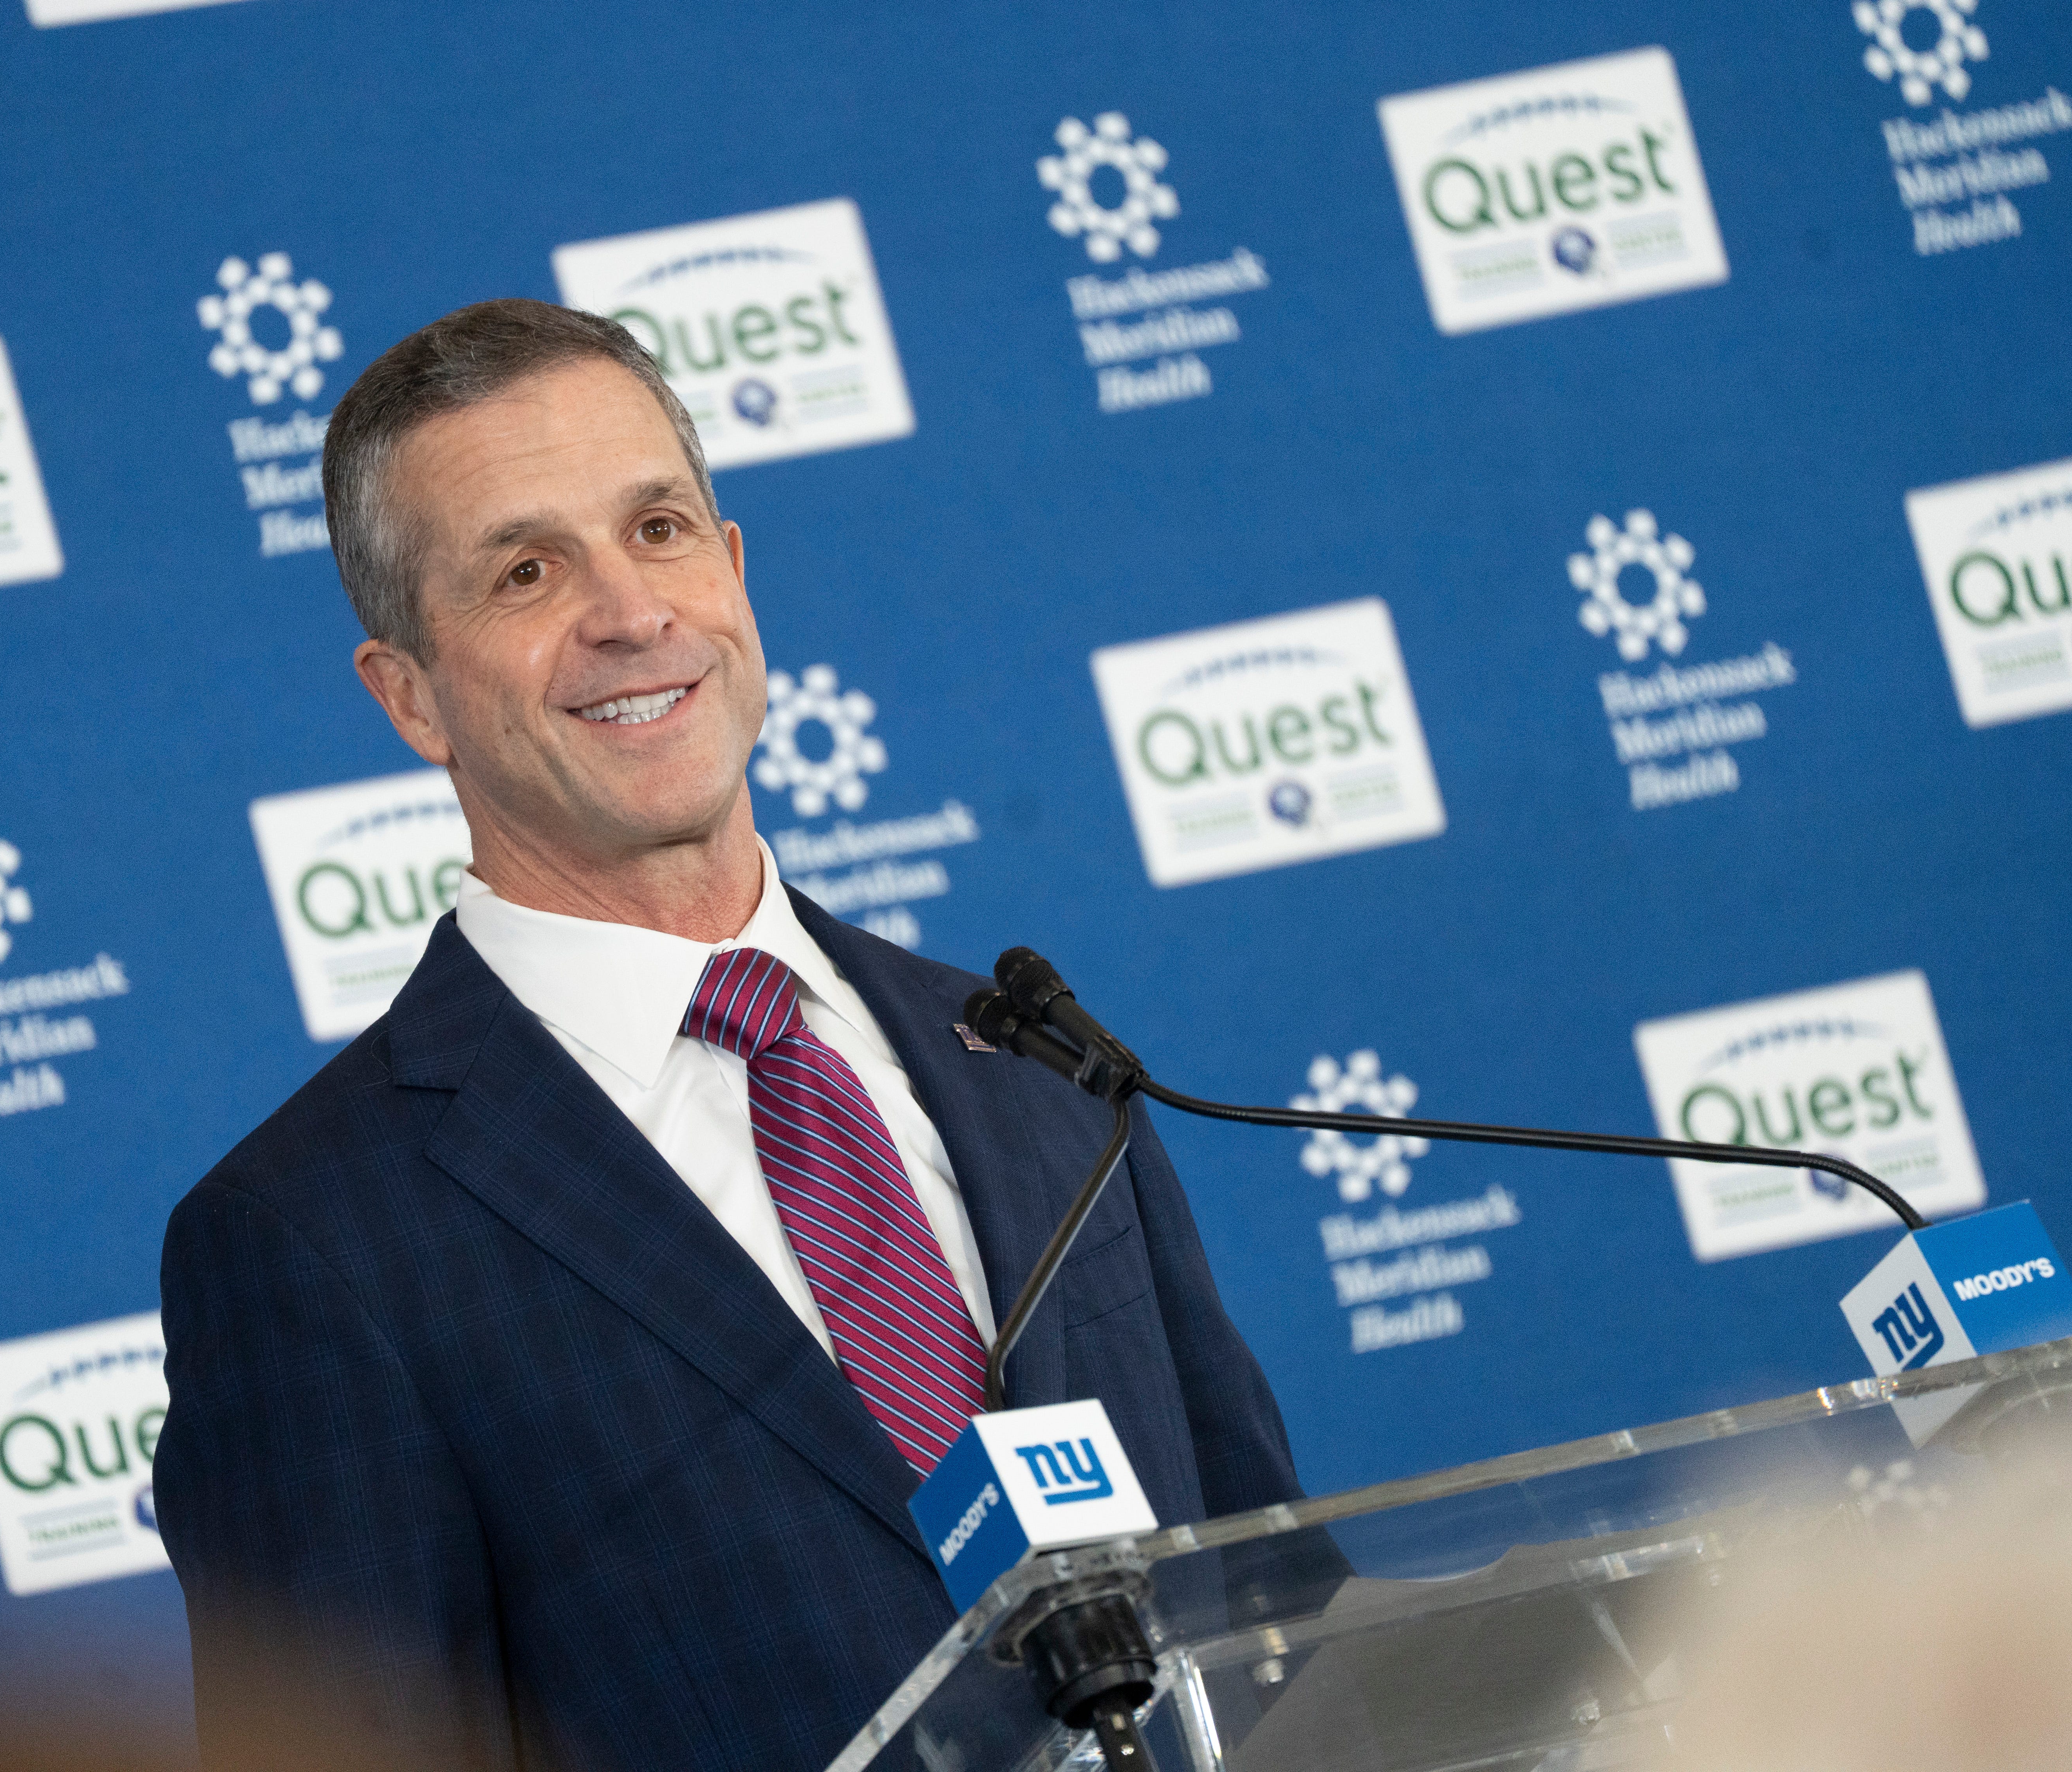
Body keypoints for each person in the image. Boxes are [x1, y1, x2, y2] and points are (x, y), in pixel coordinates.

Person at [154, 298, 1341, 1772]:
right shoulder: (313, 1243)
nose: (628, 612)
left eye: (656, 530)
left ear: (730, 570)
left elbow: (1275, 1618)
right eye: (526, 570)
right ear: (411, 694)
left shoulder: (1035, 1061)